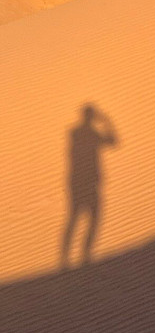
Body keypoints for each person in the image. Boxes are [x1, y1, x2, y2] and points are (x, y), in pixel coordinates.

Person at [61, 104, 117, 269]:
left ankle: (80, 255)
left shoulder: (80, 132)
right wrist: (107, 121)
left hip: (83, 181)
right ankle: (76, 256)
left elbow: (113, 142)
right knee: (81, 217)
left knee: (80, 217)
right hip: (83, 181)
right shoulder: (85, 133)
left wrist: (106, 122)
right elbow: (113, 141)